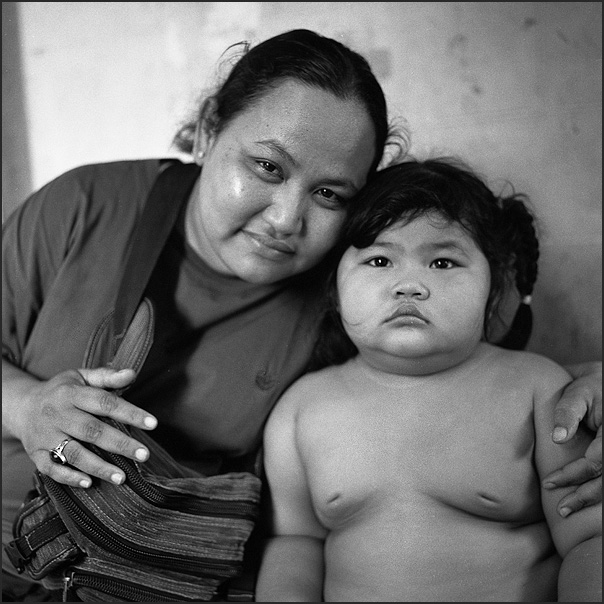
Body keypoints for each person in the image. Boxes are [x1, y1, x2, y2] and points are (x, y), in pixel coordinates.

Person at [1, 28, 601, 602]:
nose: (287, 219)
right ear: (209, 130)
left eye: (329, 193)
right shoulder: (86, 208)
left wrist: (587, 389)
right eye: (267, 167)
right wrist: (28, 407)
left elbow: (472, 373)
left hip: (158, 577)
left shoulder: (351, 280)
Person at [256, 157, 602, 602]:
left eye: (442, 262)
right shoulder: (302, 409)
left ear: (493, 286)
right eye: (380, 260)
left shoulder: (539, 390)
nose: (410, 285)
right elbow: (295, 543)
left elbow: (589, 539)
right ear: (334, 290)